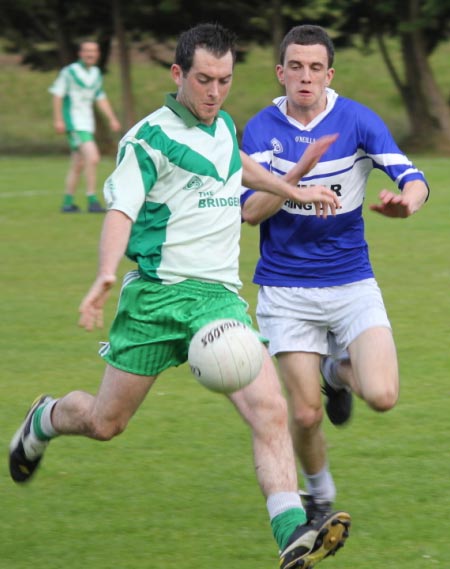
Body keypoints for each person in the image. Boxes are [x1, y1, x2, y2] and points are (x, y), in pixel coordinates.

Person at [10, 24, 350, 569]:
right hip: (155, 300)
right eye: (204, 80)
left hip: (217, 298)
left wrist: (292, 187)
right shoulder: (147, 139)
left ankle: (291, 534)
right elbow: (120, 211)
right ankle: (45, 419)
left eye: (225, 80)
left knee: (269, 407)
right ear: (178, 74)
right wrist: (102, 275)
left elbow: (235, 164)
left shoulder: (222, 126)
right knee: (105, 423)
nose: (215, 92)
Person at [240, 24, 430, 524]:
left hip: (351, 283)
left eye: (315, 68)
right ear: (280, 73)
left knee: (384, 395)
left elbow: (414, 178)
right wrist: (296, 174)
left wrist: (406, 204)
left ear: (330, 74)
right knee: (304, 414)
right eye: (296, 67)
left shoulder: (357, 121)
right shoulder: (260, 129)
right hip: (285, 287)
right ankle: (319, 494)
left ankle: (333, 371)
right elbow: (251, 212)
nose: (306, 77)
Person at [49, 40, 121, 213]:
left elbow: (100, 98)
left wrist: (112, 118)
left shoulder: (96, 73)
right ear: (80, 53)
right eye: (87, 51)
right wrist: (58, 120)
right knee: (93, 157)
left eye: (94, 51)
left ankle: (67, 203)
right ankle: (92, 200)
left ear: (98, 54)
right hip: (74, 123)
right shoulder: (69, 72)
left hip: (87, 124)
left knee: (78, 163)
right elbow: (57, 95)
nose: (91, 54)